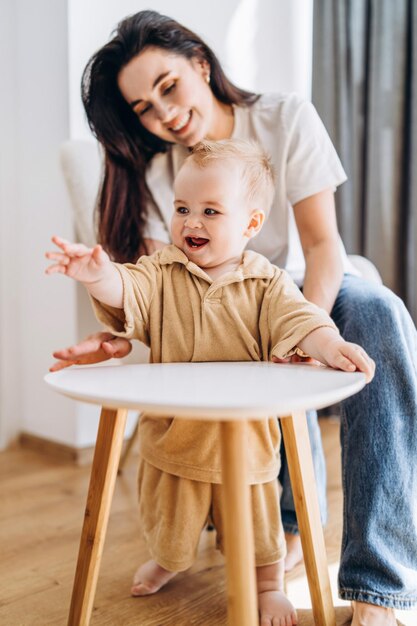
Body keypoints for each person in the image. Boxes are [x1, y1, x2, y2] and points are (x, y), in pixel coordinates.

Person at [51, 11, 417, 625]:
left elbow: (323, 245)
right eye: (143, 107)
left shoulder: (283, 118)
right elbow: (155, 295)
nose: (163, 114)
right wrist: (117, 334)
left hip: (304, 286)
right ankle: (288, 527)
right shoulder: (156, 171)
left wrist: (299, 333)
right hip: (209, 313)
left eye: (168, 86)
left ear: (200, 63)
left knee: (379, 310)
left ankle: (378, 588)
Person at [46, 139, 375, 625]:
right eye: (182, 208)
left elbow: (301, 320)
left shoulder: (267, 283)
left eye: (210, 211)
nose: (191, 222)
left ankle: (268, 585)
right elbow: (128, 290)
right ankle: (168, 561)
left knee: (261, 528)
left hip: (248, 445)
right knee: (170, 527)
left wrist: (331, 345)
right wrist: (99, 276)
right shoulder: (163, 272)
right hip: (175, 435)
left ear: (250, 224)